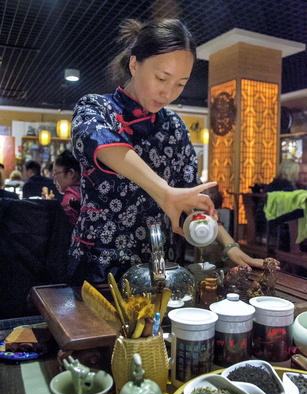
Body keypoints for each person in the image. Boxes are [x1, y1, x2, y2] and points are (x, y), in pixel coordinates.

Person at [68, 18, 263, 286]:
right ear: (134, 64)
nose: (168, 93)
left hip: (161, 266)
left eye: (180, 84)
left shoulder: (174, 127)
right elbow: (101, 143)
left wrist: (230, 246)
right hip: (101, 263)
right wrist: (165, 192)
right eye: (162, 78)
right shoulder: (96, 108)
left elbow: (190, 195)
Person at [53, 150, 81, 226]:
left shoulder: (70, 197)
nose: (54, 181)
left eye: (56, 174)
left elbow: (65, 227)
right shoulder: (84, 191)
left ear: (70, 173)